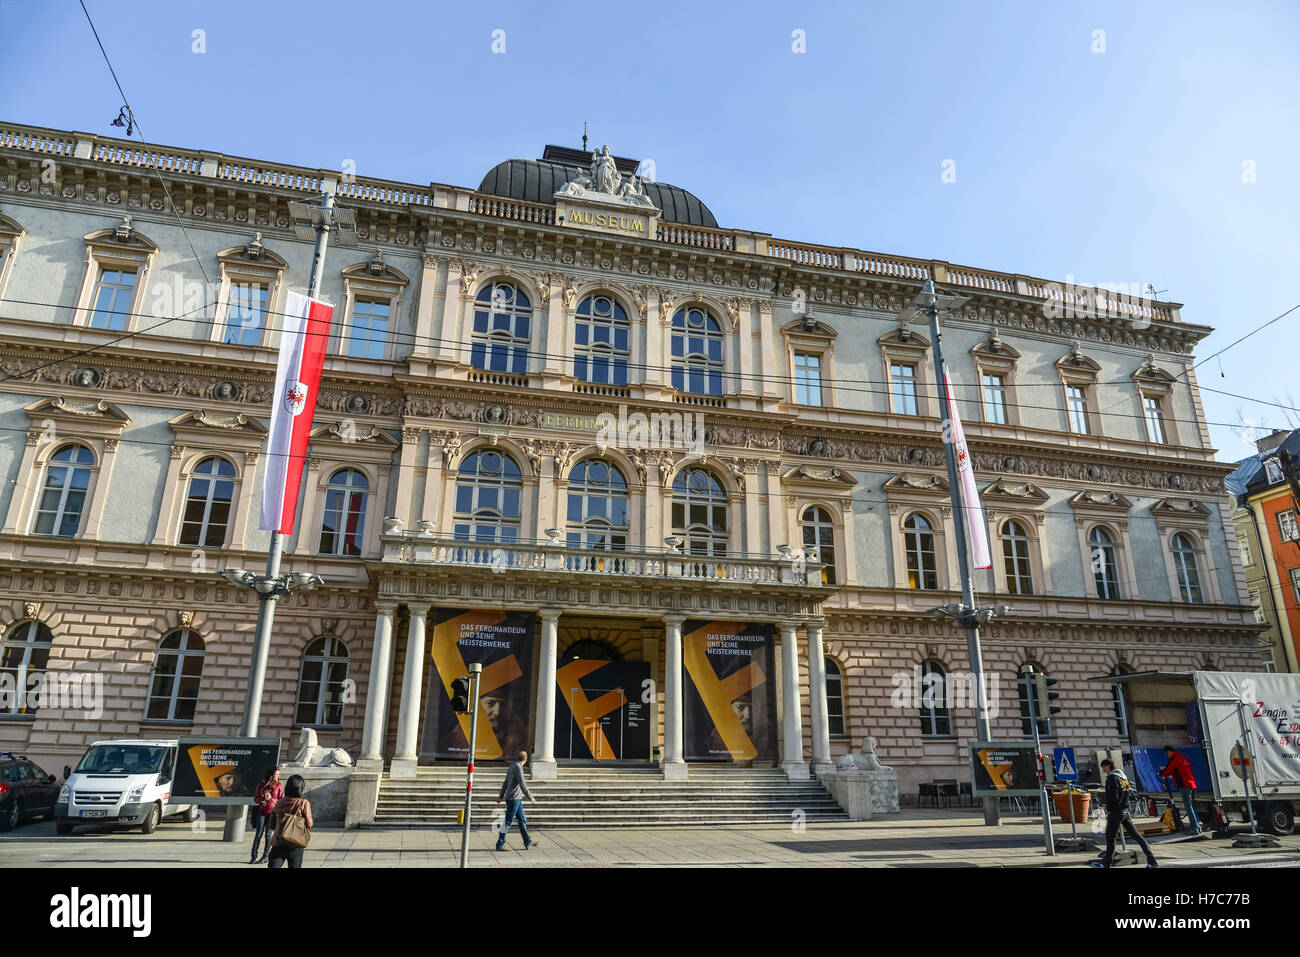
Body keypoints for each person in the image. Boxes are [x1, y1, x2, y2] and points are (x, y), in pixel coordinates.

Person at [1091, 758, 1157, 869]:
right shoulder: (1123, 777)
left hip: (1116, 812)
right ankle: (1152, 860)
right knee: (1137, 836)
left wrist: (1110, 808)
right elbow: (1126, 793)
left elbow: (1113, 796)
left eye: (1104, 768)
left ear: (1107, 766)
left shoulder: (1112, 778)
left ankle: (1106, 864)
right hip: (1125, 811)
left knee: (1110, 838)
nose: (1104, 771)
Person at [495, 750, 538, 851]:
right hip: (514, 799)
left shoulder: (512, 767)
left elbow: (505, 783)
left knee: (522, 820)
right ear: (525, 759)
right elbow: (522, 785)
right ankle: (500, 844)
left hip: (516, 799)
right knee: (508, 822)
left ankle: (528, 843)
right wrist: (531, 797)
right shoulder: (518, 768)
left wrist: (501, 796)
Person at [266, 774, 312, 869]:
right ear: (301, 788)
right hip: (295, 843)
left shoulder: (279, 802)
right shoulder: (304, 803)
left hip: (278, 841)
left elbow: (271, 825)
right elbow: (310, 824)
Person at [1158, 745, 1202, 833]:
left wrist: (1160, 773)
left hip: (1184, 785)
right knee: (1192, 806)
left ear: (1169, 752)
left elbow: (1168, 770)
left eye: (1167, 754)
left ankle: (1194, 828)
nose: (1167, 756)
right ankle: (1198, 826)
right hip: (1192, 784)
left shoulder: (1175, 759)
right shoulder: (1183, 757)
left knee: (1188, 807)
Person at [250, 766, 282, 864]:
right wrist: (262, 800)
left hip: (272, 814)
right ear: (271, 775)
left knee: (268, 835)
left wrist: (273, 801)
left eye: (278, 774)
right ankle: (253, 856)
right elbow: (255, 799)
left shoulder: (279, 785)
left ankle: (265, 856)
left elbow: (281, 799)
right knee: (258, 834)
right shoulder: (262, 784)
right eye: (276, 774)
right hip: (262, 812)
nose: (277, 776)